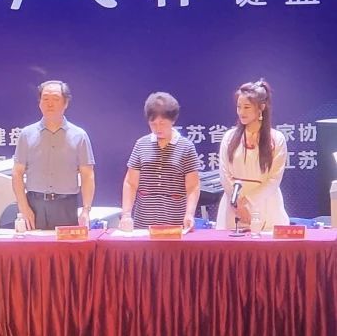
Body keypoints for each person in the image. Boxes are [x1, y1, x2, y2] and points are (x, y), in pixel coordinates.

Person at [10, 80, 95, 230]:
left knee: (65, 245)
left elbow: (87, 175)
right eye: (45, 99)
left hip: (66, 205)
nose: (49, 104)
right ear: (39, 103)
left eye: (55, 99)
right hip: (34, 204)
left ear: (65, 103)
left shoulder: (79, 136)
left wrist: (86, 210)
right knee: (34, 245)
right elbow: (17, 173)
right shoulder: (27, 134)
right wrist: (24, 208)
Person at [119, 92, 201, 231]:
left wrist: (189, 214)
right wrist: (126, 214)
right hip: (143, 222)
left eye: (162, 123)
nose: (158, 128)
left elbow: (193, 186)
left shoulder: (186, 147)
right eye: (153, 124)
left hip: (175, 222)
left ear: (173, 120)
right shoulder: (141, 144)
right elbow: (130, 183)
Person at [216, 80, 288, 230]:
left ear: (261, 107)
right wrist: (238, 203)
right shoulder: (229, 137)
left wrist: (248, 202)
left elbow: (274, 179)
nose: (241, 112)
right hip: (233, 206)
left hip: (266, 203)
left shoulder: (276, 139)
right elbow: (224, 174)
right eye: (239, 107)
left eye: (247, 107)